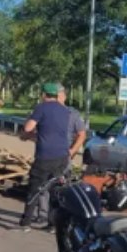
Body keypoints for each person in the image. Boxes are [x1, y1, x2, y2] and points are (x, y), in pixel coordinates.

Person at [18, 82, 86, 228]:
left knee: (35, 189)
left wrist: (27, 132)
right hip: (62, 155)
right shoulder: (66, 111)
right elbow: (53, 132)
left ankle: (26, 223)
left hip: (45, 155)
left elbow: (28, 128)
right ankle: (53, 224)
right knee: (56, 190)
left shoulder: (41, 107)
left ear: (43, 95)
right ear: (58, 95)